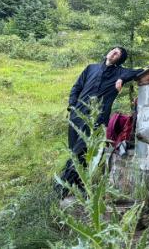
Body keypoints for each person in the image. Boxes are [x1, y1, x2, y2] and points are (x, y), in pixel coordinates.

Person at [56, 46, 144, 197]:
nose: (114, 53)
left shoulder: (120, 72)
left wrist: (122, 78)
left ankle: (62, 187)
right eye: (113, 50)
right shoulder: (91, 68)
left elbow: (141, 71)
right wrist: (72, 106)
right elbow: (76, 87)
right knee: (74, 151)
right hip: (77, 116)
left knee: (82, 151)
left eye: (118, 53)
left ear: (120, 59)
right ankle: (76, 186)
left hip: (96, 119)